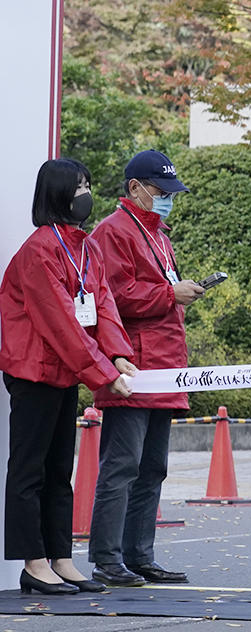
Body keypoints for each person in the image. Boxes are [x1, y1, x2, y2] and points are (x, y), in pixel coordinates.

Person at [0, 158, 135, 595]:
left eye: (88, 184)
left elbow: (105, 306)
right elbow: (60, 322)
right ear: (57, 193)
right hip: (32, 371)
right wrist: (101, 372)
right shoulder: (40, 249)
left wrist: (117, 355)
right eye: (78, 186)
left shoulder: (86, 247)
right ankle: (33, 563)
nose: (86, 194)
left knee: (60, 470)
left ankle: (61, 558)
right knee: (29, 470)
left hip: (64, 372)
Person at [87, 151, 203, 587]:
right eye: (161, 191)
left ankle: (139, 555)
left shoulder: (157, 233)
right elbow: (112, 297)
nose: (167, 199)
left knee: (152, 467)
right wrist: (171, 295)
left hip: (164, 363)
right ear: (134, 188)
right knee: (121, 466)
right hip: (132, 366)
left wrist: (176, 294)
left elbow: (149, 289)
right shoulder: (112, 232)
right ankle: (107, 558)